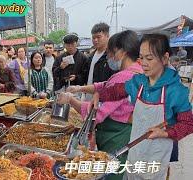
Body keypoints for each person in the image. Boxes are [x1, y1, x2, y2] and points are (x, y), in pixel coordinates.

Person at [93, 34, 193, 179]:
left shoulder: (175, 91)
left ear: (165, 58)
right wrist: (99, 94)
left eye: (150, 58)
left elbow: (188, 123)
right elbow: (117, 91)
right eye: (141, 57)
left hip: (156, 156)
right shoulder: (139, 82)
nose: (144, 63)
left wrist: (164, 133)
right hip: (135, 151)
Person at [58, 30, 142, 180]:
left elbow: (96, 114)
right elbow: (105, 85)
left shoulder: (124, 77)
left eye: (111, 52)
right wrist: (80, 88)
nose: (110, 57)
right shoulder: (138, 71)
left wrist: (71, 99)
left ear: (122, 52)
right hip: (126, 132)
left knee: (112, 173)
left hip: (117, 135)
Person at [83, 23, 116, 100]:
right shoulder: (90, 56)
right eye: (93, 38)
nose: (95, 40)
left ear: (107, 36)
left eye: (98, 37)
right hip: (89, 98)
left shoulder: (112, 57)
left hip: (103, 100)